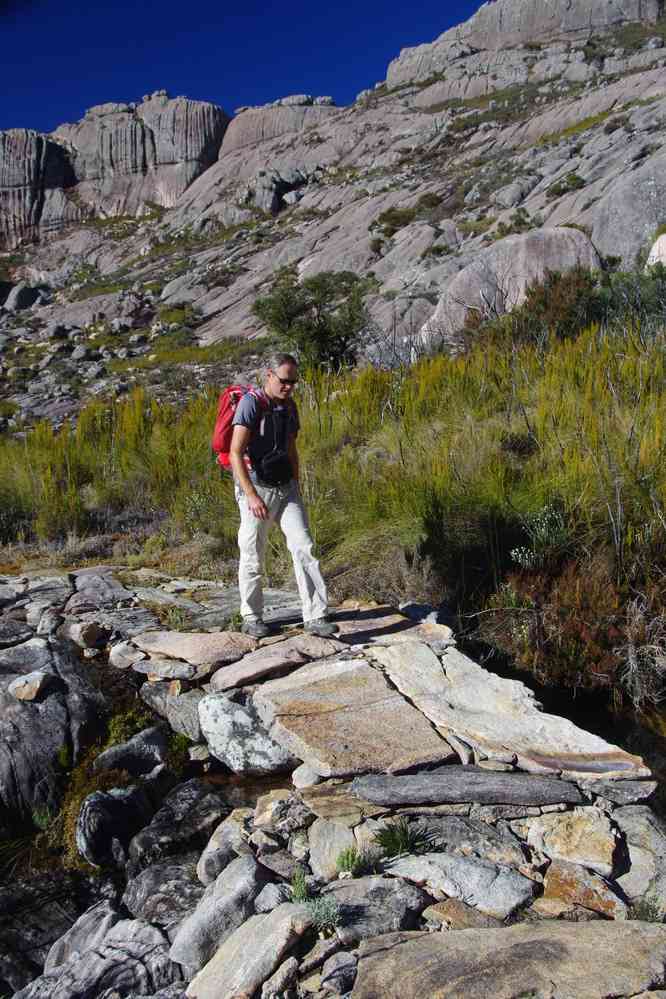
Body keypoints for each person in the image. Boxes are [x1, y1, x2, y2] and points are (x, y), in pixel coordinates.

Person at [229, 352, 338, 639]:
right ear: (269, 375)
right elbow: (235, 452)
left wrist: (296, 485)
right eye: (284, 381)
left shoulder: (290, 407)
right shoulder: (251, 404)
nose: (289, 387)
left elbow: (291, 448)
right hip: (257, 488)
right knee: (253, 553)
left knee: (304, 546)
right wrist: (251, 496)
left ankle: (316, 616)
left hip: (286, 486)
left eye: (293, 382)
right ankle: (251, 617)